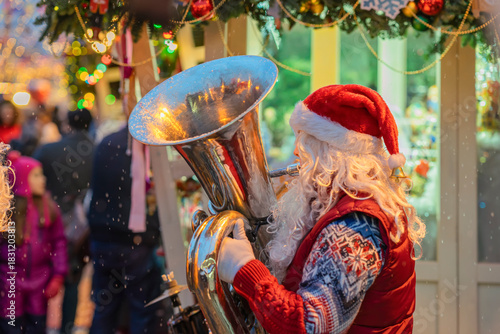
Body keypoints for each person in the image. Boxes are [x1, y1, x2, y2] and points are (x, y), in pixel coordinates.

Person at [218, 85, 426, 333]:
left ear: (333, 154)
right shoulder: (344, 207)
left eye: (305, 143)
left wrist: (244, 270)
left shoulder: (355, 228)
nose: (296, 152)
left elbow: (310, 325)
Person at [87, 124, 163, 333]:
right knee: (141, 309)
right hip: (133, 240)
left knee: (104, 308)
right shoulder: (144, 145)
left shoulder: (107, 142)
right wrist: (153, 232)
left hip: (103, 236)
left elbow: (95, 189)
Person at [33, 108, 94, 333]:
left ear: (67, 123)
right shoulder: (95, 150)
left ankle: (41, 325)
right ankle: (67, 327)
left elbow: (30, 178)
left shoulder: (48, 150)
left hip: (47, 224)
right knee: (73, 280)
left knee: (43, 278)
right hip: (81, 228)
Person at [0, 152, 68, 333]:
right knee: (10, 327)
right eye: (37, 175)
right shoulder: (6, 211)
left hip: (40, 282)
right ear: (22, 179)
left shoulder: (49, 208)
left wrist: (58, 275)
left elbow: (59, 242)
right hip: (10, 284)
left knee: (36, 327)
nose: (43, 179)